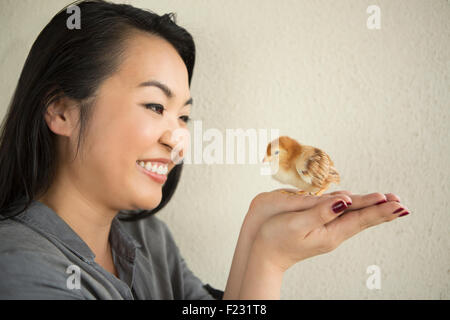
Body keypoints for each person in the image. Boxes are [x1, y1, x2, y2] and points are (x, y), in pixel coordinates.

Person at [0, 0, 410, 300]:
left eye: (183, 117)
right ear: (61, 111)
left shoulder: (150, 240)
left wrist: (261, 242)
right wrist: (267, 266)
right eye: (156, 106)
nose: (177, 139)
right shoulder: (18, 267)